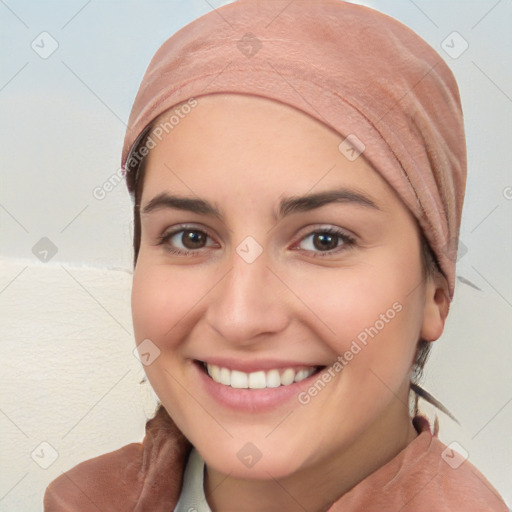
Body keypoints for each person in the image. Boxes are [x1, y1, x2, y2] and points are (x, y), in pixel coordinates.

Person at [43, 0, 508, 510]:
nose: (240, 318)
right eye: (191, 238)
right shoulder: (82, 499)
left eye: (324, 240)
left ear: (436, 295)